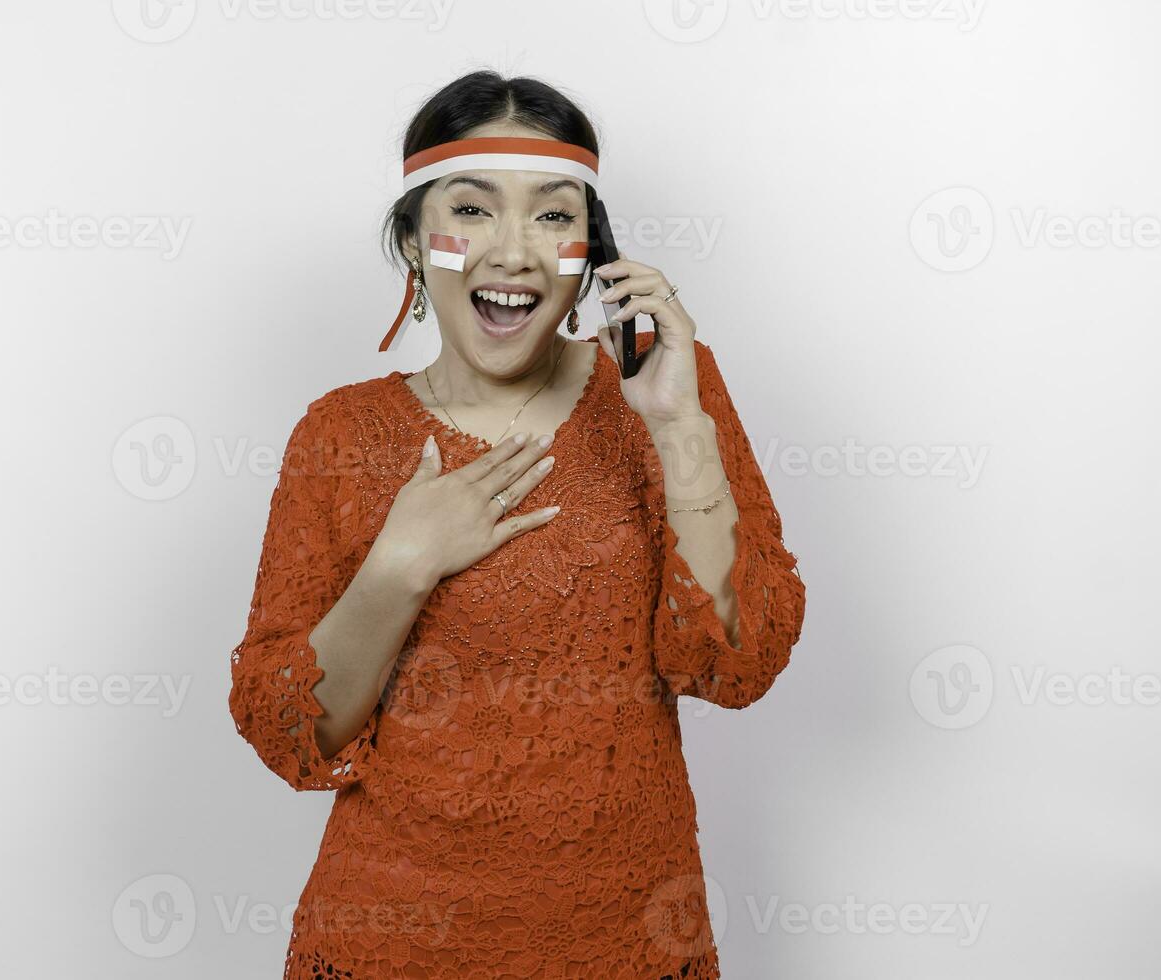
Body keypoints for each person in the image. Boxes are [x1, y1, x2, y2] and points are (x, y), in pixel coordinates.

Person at [228, 69, 806, 979]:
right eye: (473, 208)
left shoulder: (666, 398)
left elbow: (737, 663)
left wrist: (677, 428)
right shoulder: (338, 434)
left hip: (628, 937)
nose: (514, 251)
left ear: (590, 249)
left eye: (552, 214)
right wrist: (401, 564)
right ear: (415, 243)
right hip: (389, 942)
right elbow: (294, 734)